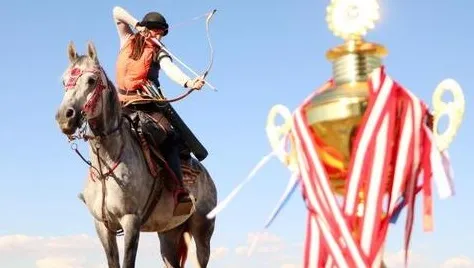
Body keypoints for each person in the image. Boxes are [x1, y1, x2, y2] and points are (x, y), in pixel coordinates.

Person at [112, 6, 205, 214]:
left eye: (161, 33)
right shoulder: (127, 39)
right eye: (157, 31)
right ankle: (97, 185)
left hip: (148, 104)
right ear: (148, 28)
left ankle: (179, 190)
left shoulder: (160, 52)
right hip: (121, 104)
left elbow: (171, 70)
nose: (160, 36)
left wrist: (189, 82)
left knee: (170, 137)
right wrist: (137, 24)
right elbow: (116, 11)